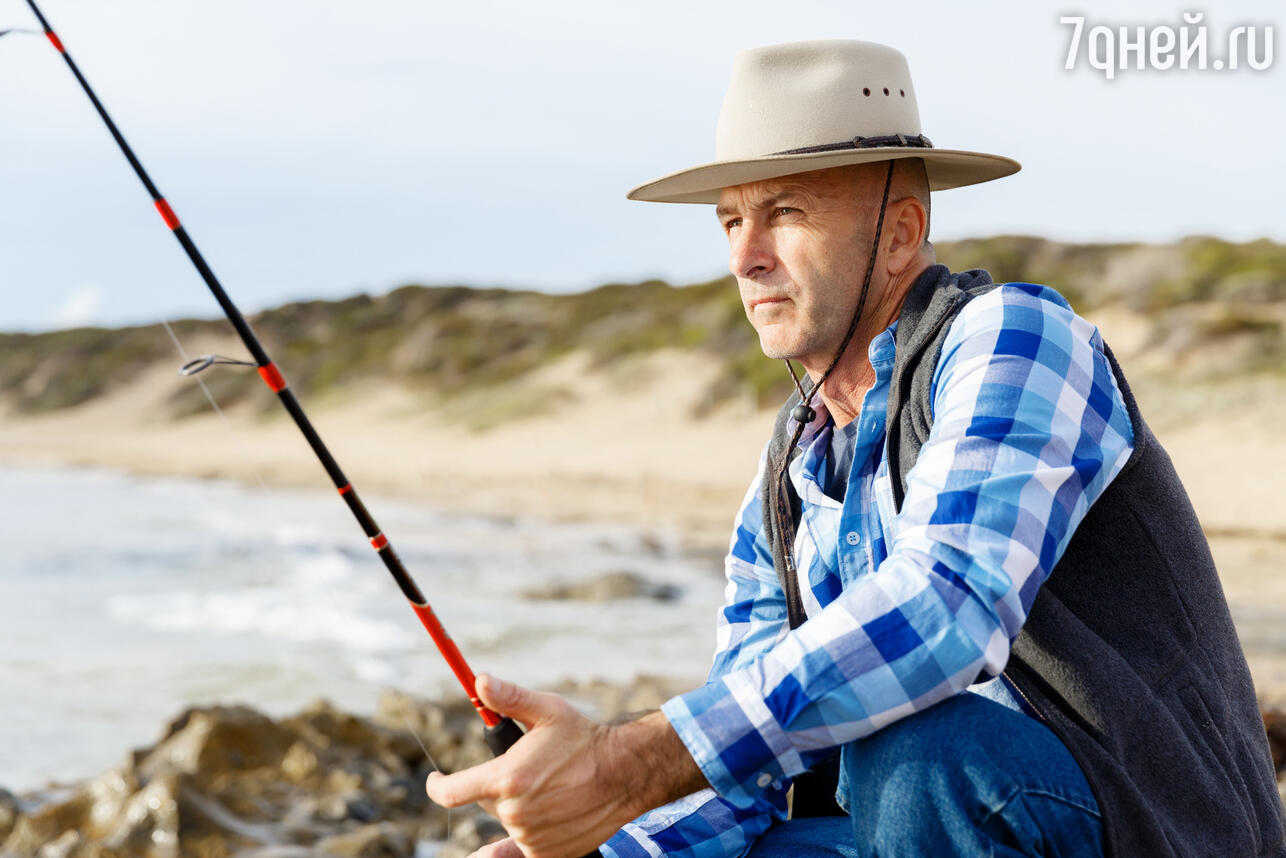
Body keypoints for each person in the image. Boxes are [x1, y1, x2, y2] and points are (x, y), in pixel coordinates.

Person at [426, 40, 1285, 858]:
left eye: (784, 213)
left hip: (1153, 827)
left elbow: (947, 609)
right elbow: (749, 767)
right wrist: (606, 840)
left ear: (902, 233)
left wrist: (629, 761)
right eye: (729, 222)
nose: (745, 258)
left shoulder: (1016, 338)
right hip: (943, 821)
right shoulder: (789, 471)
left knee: (917, 744)